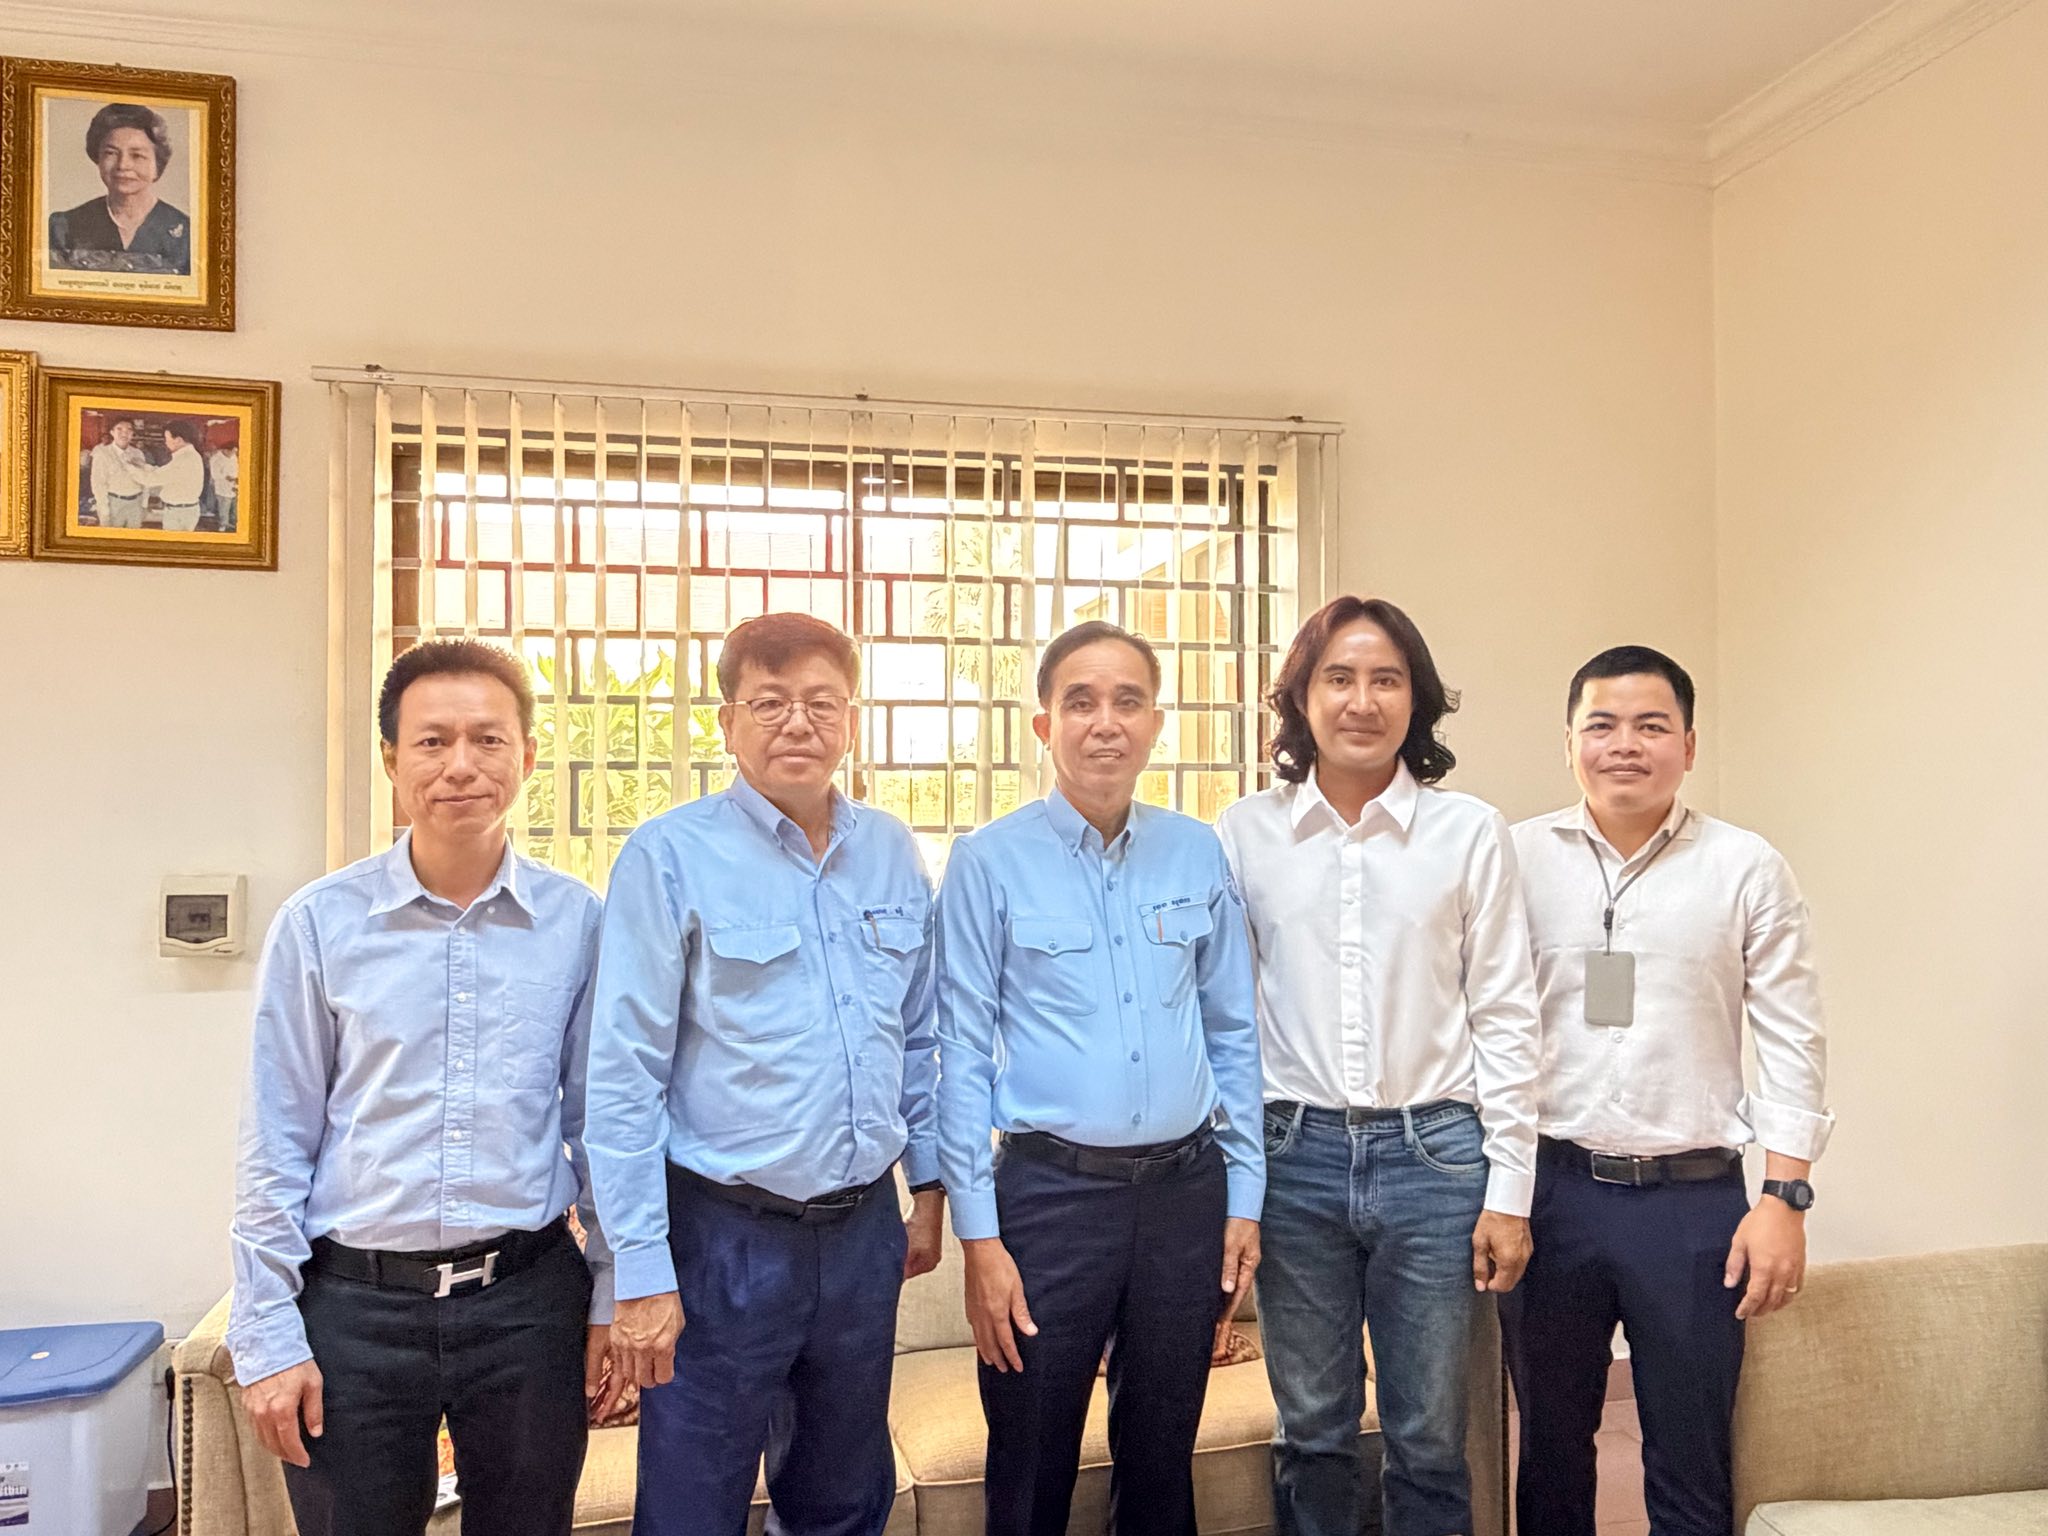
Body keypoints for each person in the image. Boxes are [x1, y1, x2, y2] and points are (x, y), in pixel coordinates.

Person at [227, 639, 614, 1536]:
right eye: (433, 741)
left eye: (488, 739)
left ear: (527, 756)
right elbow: (275, 1137)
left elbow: (600, 1124)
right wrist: (266, 1333)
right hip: (353, 1309)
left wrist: (611, 1288)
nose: (461, 766)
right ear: (392, 761)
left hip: (527, 1302)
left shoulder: (577, 922)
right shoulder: (319, 924)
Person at [585, 612, 944, 1536]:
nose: (798, 723)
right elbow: (623, 1080)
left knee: (841, 1501)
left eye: (823, 702)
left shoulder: (890, 850)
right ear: (727, 721)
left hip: (862, 1234)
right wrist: (640, 1270)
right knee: (693, 1508)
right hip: (722, 1239)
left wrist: (931, 1189)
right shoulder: (669, 856)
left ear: (851, 719)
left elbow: (918, 1036)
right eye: (770, 702)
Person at [1215, 596, 1540, 1536]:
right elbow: (1225, 1021)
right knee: (1312, 1430)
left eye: (1386, 680)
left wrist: (1510, 1192)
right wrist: (1236, 1180)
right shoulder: (1244, 833)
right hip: (1293, 1154)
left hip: (1436, 1158)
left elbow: (1508, 1015)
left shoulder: (1469, 832)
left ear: (1416, 701)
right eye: (1339, 678)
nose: (1362, 701)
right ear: (1301, 699)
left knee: (1429, 1436)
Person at [935, 619, 1264, 1536]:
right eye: (1080, 702)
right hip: (1050, 1200)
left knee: (1163, 1455)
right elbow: (959, 1055)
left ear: (1156, 723)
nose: (1105, 722)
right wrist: (979, 1239)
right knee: (1031, 1455)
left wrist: (1245, 1196)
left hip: (1185, 1195)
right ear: (1045, 725)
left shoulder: (1197, 852)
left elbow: (1234, 1032)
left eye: (1127, 702)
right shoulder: (988, 862)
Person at [1502, 645, 1833, 1536]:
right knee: (1549, 1450)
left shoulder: (1745, 866)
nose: (1625, 745)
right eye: (1602, 725)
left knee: (1692, 1457)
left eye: (1651, 726)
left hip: (1691, 1205)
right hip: (1550, 1192)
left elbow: (1794, 1037)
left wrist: (1786, 1197)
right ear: (1568, 742)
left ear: (1688, 745)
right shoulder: (1512, 859)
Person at [48, 102, 192, 275]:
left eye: (137, 155)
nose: (123, 165)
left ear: (157, 165)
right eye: (111, 153)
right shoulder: (63, 228)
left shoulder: (187, 233)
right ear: (98, 159)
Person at [130, 418, 207, 531]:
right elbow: (165, 473)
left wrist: (128, 467)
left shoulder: (184, 459)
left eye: (167, 439)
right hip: (183, 510)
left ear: (178, 440)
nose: (166, 443)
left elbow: (150, 480)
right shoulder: (188, 455)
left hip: (179, 513)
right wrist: (143, 466)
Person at [87, 417, 146, 528]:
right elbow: (98, 483)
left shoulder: (138, 453)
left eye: (129, 430)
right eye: (119, 429)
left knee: (134, 537)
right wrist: (104, 510)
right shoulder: (102, 453)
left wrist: (144, 504)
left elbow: (145, 480)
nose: (124, 433)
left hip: (136, 503)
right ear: (112, 432)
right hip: (113, 503)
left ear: (132, 434)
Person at [209, 436, 241, 533]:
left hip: (234, 486)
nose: (234, 454)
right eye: (232, 452)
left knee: (235, 508)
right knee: (224, 509)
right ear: (226, 450)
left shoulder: (233, 456)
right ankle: (222, 526)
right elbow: (215, 474)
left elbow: (236, 468)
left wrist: (237, 478)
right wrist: (226, 477)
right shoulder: (216, 459)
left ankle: (233, 524)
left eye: (235, 452)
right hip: (222, 488)